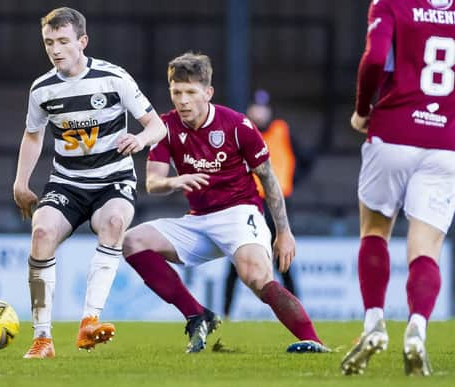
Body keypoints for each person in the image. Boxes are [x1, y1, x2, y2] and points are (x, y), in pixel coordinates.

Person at [122, 52, 329, 354]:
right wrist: (173, 182)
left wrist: (283, 232)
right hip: (198, 219)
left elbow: (269, 179)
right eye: (176, 92)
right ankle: (197, 314)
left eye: (191, 92)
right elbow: (153, 183)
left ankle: (314, 342)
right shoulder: (165, 127)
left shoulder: (237, 125)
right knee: (133, 241)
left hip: (239, 213)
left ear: (208, 92)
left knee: (257, 278)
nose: (183, 100)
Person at [13, 7, 167, 359]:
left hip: (113, 179)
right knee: (41, 234)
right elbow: (33, 136)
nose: (56, 49)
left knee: (113, 223)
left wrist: (140, 141)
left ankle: (89, 322)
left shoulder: (113, 78)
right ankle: (41, 339)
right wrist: (21, 181)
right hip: (67, 182)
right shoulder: (42, 89)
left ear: (82, 41)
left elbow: (158, 125)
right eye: (49, 42)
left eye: (63, 41)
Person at [340, 0, 455, 376]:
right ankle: (417, 329)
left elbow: (374, 59)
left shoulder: (391, 2)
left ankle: (374, 322)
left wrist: (361, 109)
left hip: (394, 131)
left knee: (374, 231)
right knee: (427, 249)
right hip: (446, 143)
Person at [223, 89, 304, 319]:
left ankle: (297, 314)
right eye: (255, 107)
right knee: (237, 259)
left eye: (263, 107)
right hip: (250, 203)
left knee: (284, 259)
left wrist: (290, 181)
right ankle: (227, 314)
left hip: (276, 204)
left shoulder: (282, 130)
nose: (259, 112)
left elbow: (303, 159)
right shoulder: (242, 132)